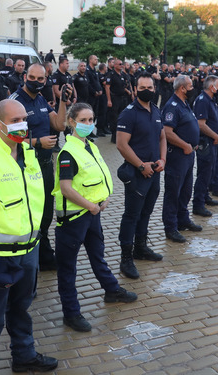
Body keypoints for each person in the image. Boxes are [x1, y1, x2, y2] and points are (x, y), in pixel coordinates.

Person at [0, 99, 59, 374]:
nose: (22, 125)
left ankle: (23, 355)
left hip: (29, 251)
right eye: (15, 121)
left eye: (23, 119)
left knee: (21, 309)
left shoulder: (28, 153)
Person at [52, 103, 138, 332]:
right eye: (84, 120)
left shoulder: (90, 146)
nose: (89, 124)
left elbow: (98, 177)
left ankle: (112, 290)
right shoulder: (68, 152)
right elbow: (66, 188)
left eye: (91, 120)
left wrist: (105, 198)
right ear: (71, 121)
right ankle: (71, 313)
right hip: (74, 218)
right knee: (68, 268)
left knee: (98, 256)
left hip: (92, 213)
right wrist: (91, 206)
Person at [9, 63, 71, 271]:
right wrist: (37, 142)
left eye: (41, 79)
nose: (36, 82)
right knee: (29, 213)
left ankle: (43, 254)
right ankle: (30, 260)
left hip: (44, 166)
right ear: (25, 76)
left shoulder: (42, 99)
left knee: (45, 212)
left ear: (46, 80)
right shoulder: (15, 103)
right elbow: (9, 138)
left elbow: (60, 125)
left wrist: (63, 101)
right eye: (32, 78)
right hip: (24, 167)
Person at [115, 73, 167, 279]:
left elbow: (162, 136)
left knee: (146, 212)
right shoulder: (128, 113)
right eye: (143, 87)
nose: (147, 90)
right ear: (135, 89)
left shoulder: (155, 109)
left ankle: (141, 248)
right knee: (131, 215)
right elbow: (121, 144)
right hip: (137, 173)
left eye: (150, 87)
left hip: (154, 172)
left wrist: (163, 160)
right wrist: (139, 165)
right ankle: (126, 258)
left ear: (155, 89)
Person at [161, 75, 203, 242]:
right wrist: (185, 145)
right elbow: (167, 132)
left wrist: (193, 143)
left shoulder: (184, 104)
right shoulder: (172, 106)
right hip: (177, 156)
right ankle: (170, 227)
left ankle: (182, 219)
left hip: (188, 155)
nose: (193, 88)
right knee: (173, 192)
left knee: (185, 190)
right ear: (182, 88)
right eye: (190, 86)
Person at [193, 75, 218, 218]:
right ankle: (198, 204)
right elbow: (201, 124)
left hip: (213, 142)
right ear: (211, 87)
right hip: (205, 143)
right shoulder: (202, 100)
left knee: (209, 171)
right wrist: (215, 136)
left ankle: (205, 196)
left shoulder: (211, 99)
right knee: (204, 173)